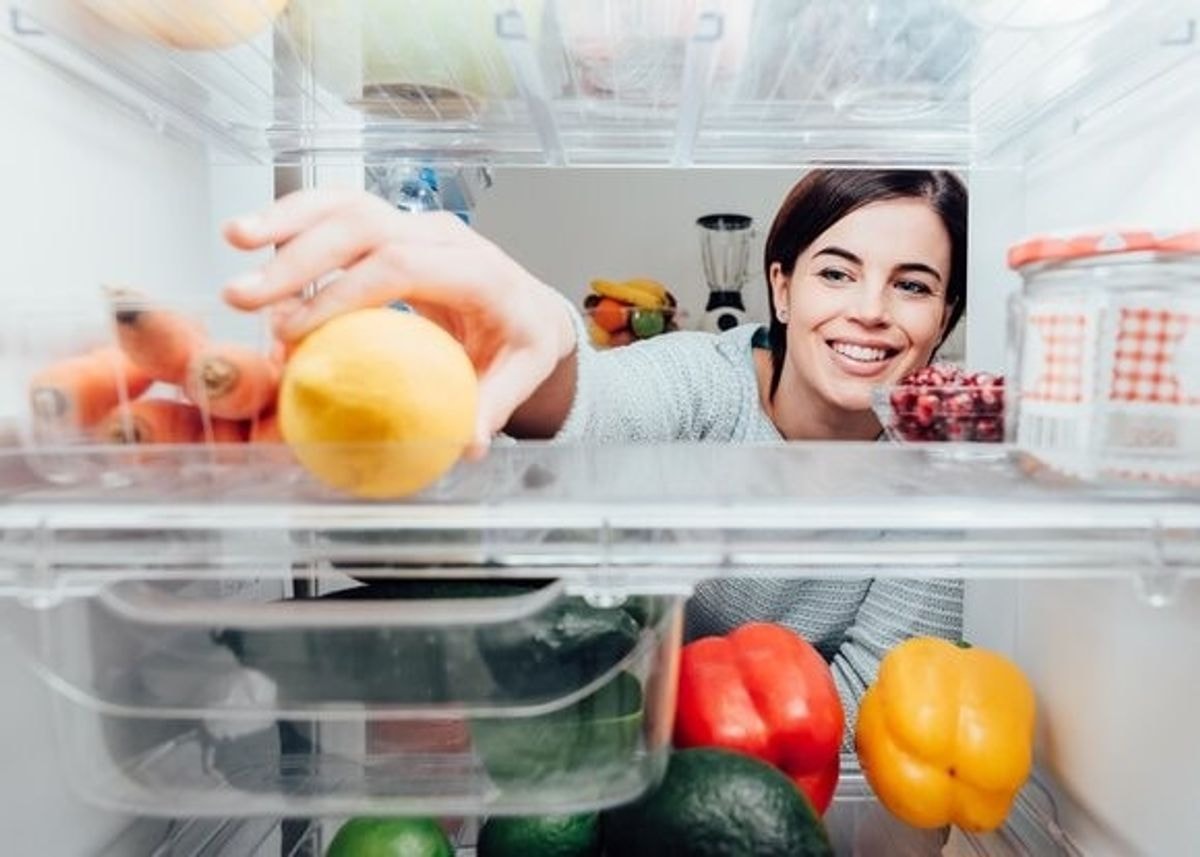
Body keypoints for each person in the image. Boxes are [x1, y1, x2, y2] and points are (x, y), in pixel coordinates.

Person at [222, 168, 967, 739]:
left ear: (945, 319)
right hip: (613, 743)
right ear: (781, 286)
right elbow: (601, 404)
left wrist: (678, 722)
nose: (868, 309)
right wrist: (541, 335)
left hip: (774, 776)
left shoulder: (937, 472)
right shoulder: (706, 379)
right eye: (836, 271)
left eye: (912, 285)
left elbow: (885, 700)